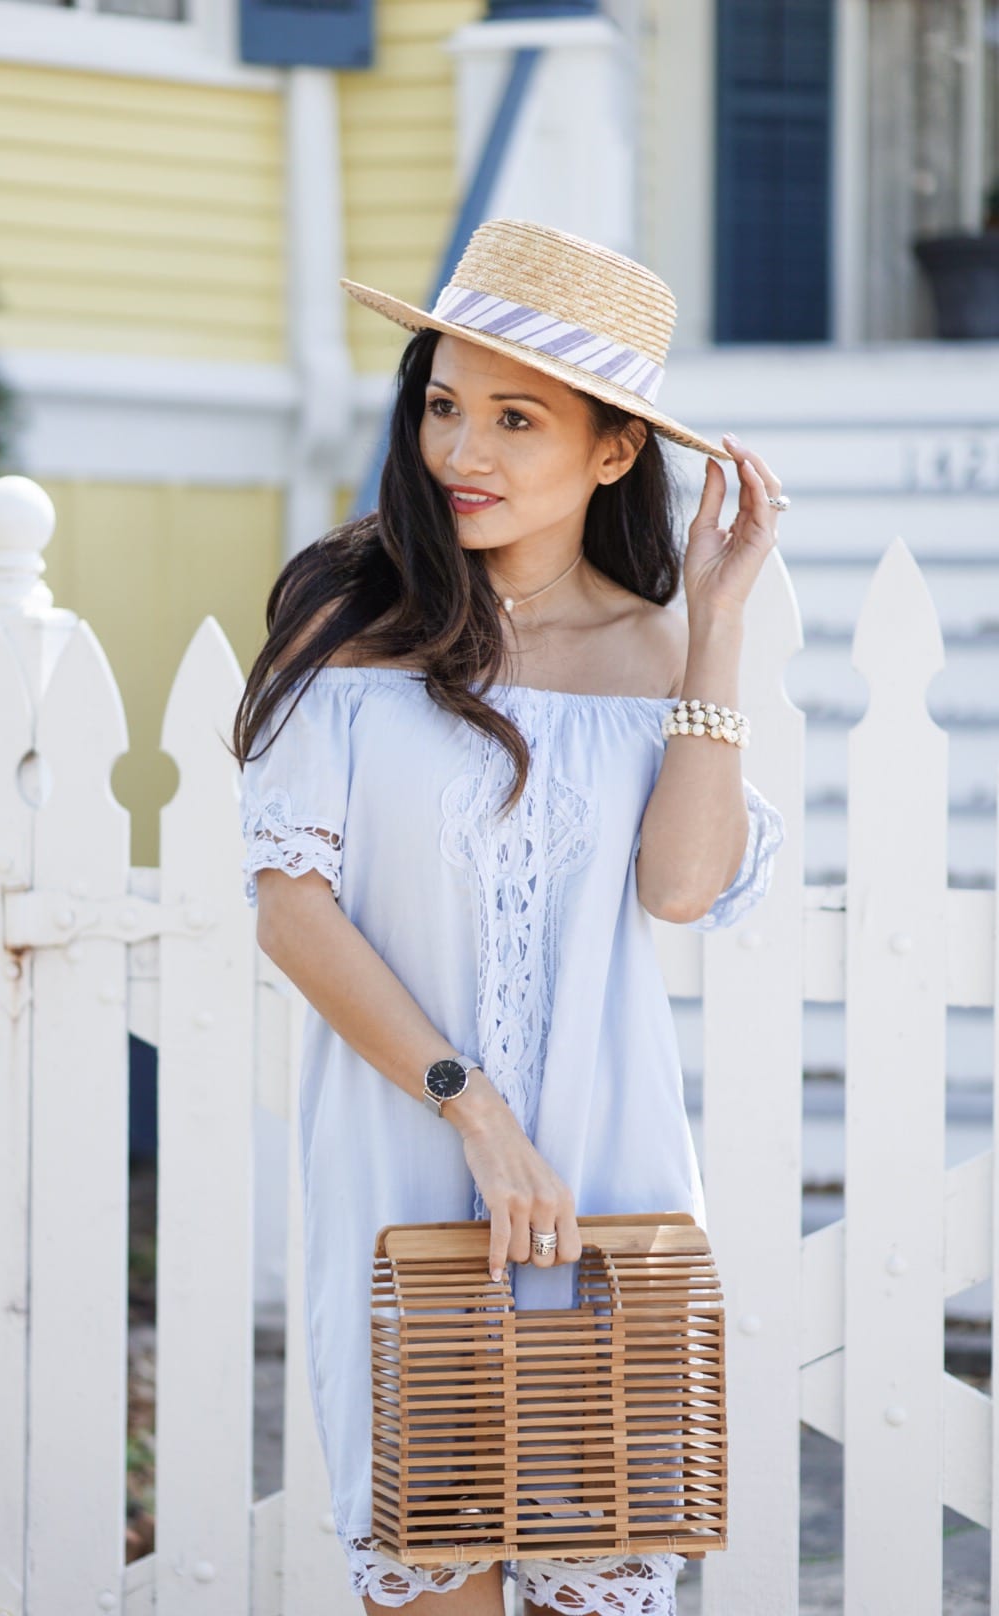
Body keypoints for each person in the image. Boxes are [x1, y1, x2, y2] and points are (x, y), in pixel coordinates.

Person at [234, 218, 787, 1616]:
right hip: (410, 1168)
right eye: (442, 406)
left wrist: (712, 623)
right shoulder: (347, 615)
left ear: (614, 451)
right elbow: (292, 913)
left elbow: (680, 889)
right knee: (431, 1583)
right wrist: (473, 1113)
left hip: (607, 1181)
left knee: (594, 1566)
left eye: (515, 418)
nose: (461, 454)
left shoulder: (661, 650)